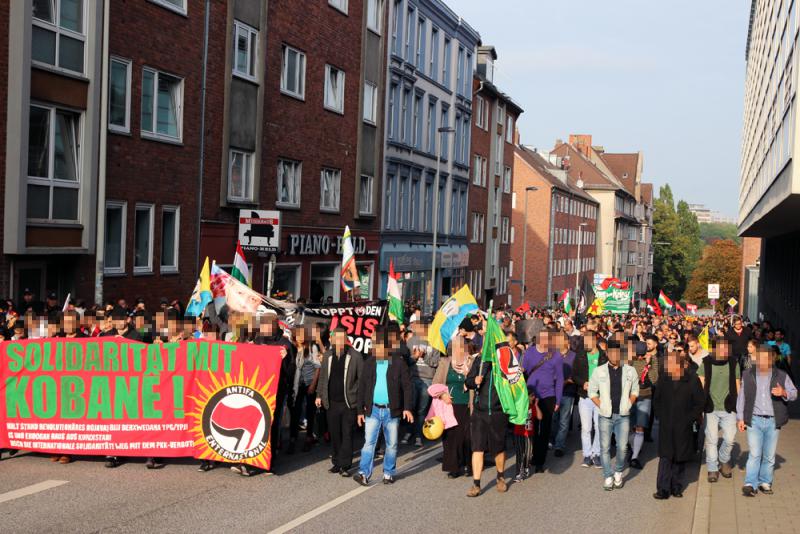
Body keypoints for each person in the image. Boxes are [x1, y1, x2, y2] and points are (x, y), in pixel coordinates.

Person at [353, 325, 413, 486]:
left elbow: (407, 387)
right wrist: (360, 410)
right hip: (372, 410)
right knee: (368, 443)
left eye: (376, 344)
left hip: (391, 411)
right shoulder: (369, 362)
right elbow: (362, 388)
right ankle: (363, 473)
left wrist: (407, 408)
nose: (373, 347)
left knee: (391, 444)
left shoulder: (399, 363)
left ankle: (388, 472)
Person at [737, 343, 797, 496]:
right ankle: (750, 483)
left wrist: (783, 392)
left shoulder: (782, 375)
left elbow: (794, 393)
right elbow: (742, 397)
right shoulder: (748, 374)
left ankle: (765, 482)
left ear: (772, 358)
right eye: (759, 357)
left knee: (769, 456)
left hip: (772, 420)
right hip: (754, 420)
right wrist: (740, 418)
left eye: (766, 357)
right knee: (755, 454)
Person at [653, 349, 705, 499]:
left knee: (680, 456)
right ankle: (663, 488)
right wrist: (660, 415)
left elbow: (699, 402)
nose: (667, 366)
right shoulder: (663, 379)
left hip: (684, 424)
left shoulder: (692, 379)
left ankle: (676, 486)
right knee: (665, 456)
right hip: (667, 423)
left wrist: (690, 418)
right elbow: (657, 400)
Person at [588, 341, 639, 491]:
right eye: (611, 353)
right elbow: (592, 391)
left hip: (623, 414)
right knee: (604, 448)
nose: (614, 356)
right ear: (607, 354)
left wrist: (629, 403)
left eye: (617, 353)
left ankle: (618, 472)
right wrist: (601, 405)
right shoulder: (599, 371)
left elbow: (635, 390)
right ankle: (608, 475)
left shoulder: (630, 370)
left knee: (622, 447)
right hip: (605, 415)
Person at [316, 325, 363, 477]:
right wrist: (319, 395)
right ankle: (336, 462)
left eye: (342, 338)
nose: (339, 341)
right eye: (336, 338)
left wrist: (360, 402)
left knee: (347, 434)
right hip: (332, 403)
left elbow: (361, 380)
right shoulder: (328, 356)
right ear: (332, 339)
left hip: (349, 403)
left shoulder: (355, 356)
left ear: (346, 339)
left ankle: (345, 465)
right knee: (335, 434)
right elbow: (323, 378)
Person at [465, 347, 510, 497]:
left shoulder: (505, 360)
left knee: (498, 447)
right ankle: (476, 484)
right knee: (477, 447)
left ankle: (500, 476)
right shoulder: (479, 360)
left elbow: (517, 382)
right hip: (480, 411)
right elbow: (469, 380)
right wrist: (474, 380)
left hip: (498, 411)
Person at [521, 328, 564, 473]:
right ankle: (529, 455)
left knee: (544, 430)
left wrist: (558, 400)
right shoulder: (529, 352)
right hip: (531, 395)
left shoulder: (555, 355)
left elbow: (560, 379)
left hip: (548, 396)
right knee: (530, 427)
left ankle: (540, 460)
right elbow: (524, 372)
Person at [432, 335, 474, 478]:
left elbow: (478, 382)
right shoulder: (445, 362)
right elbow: (435, 384)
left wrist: (470, 378)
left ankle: (470, 464)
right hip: (448, 406)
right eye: (456, 346)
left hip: (468, 404)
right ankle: (454, 467)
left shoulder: (472, 362)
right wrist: (442, 395)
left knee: (467, 437)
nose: (459, 349)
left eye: (462, 346)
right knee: (451, 437)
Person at [698, 339, 740, 483]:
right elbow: (701, 384)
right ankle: (712, 468)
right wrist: (699, 405)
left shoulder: (734, 363)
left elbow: (737, 385)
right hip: (710, 407)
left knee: (730, 439)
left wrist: (739, 407)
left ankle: (723, 459)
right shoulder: (706, 362)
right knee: (711, 440)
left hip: (729, 407)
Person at [403, 320, 440, 447]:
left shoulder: (435, 343)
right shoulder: (411, 341)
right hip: (413, 377)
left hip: (428, 379)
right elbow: (405, 361)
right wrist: (414, 357)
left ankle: (418, 435)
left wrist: (424, 356)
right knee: (410, 406)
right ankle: (408, 432)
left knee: (421, 410)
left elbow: (435, 363)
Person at [572, 332, 605, 468]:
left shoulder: (604, 356)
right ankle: (587, 454)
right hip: (584, 396)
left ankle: (596, 453)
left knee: (599, 427)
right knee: (586, 428)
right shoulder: (580, 356)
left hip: (600, 396)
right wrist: (582, 383)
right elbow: (574, 375)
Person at [288, 326, 321, 454]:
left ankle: (309, 438)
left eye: (302, 335)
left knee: (309, 411)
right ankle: (292, 439)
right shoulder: (294, 347)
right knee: (295, 411)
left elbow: (318, 367)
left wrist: (313, 385)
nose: (300, 337)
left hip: (309, 383)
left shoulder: (311, 347)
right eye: (298, 335)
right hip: (297, 385)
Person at [629, 335, 659, 469]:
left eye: (642, 354)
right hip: (629, 397)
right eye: (638, 355)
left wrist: (649, 365)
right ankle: (632, 447)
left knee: (640, 426)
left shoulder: (653, 359)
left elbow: (654, 380)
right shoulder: (629, 361)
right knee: (629, 426)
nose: (640, 357)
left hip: (645, 395)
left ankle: (635, 457)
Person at [551, 330, 576, 457]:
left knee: (564, 421)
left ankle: (559, 446)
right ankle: (553, 440)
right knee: (554, 418)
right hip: (553, 392)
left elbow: (575, 375)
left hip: (568, 392)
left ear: (567, 342)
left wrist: (566, 381)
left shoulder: (573, 356)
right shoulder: (552, 355)